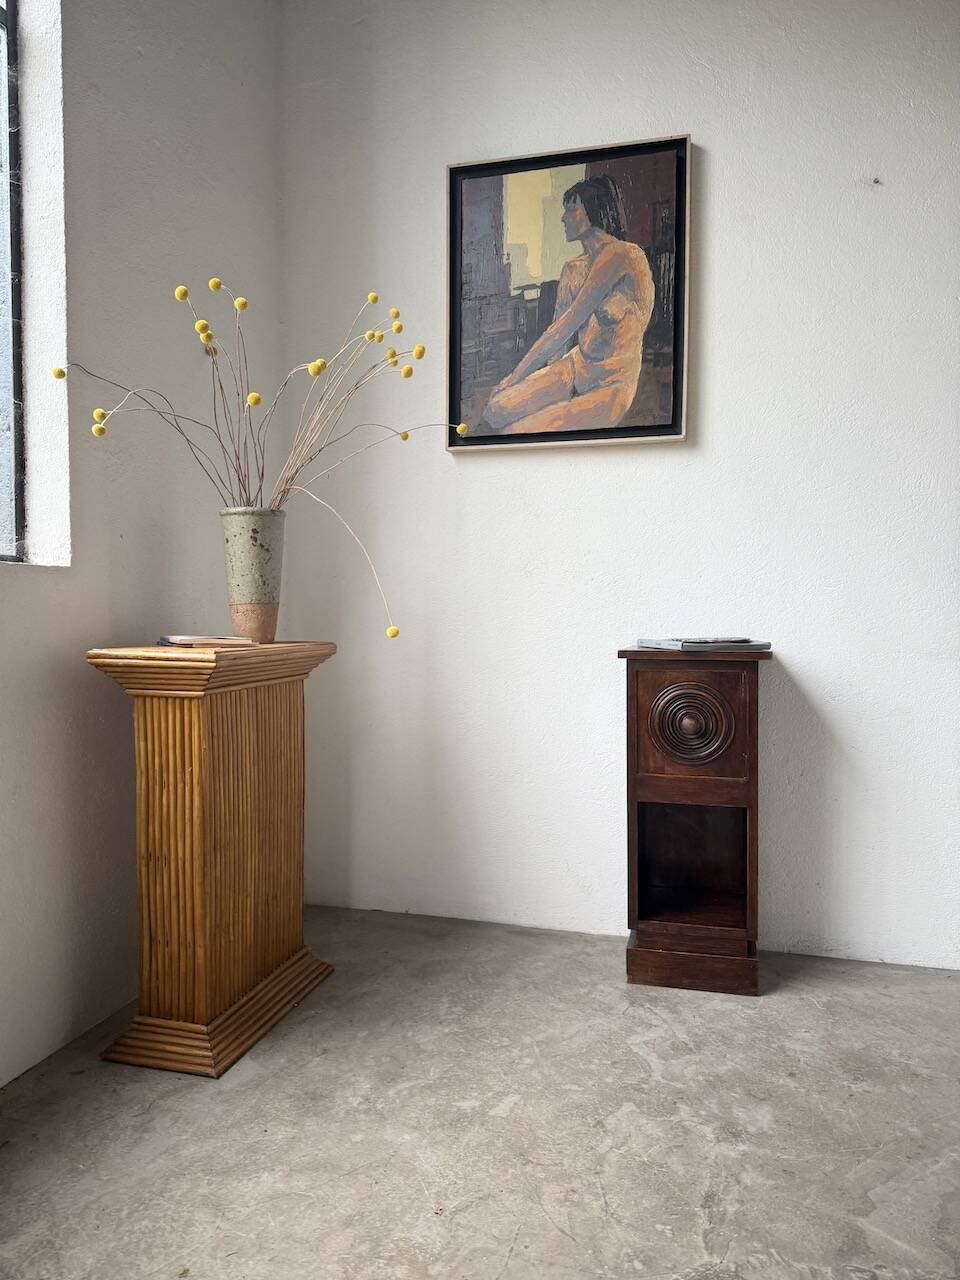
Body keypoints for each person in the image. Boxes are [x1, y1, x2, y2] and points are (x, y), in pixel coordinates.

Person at [484, 175, 655, 435]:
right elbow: (557, 338)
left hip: (610, 384)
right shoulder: (572, 268)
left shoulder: (623, 255)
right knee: (496, 409)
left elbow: (565, 327)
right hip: (575, 367)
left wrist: (515, 377)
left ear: (594, 210)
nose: (563, 218)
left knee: (515, 431)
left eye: (571, 209)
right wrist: (545, 386)